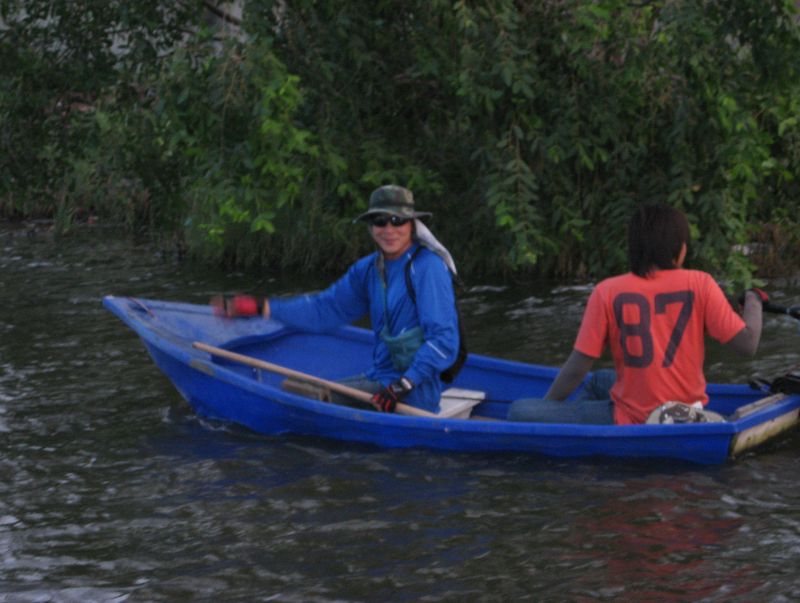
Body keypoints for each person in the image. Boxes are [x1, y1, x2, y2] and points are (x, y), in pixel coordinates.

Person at [508, 203, 765, 425]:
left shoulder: (607, 291)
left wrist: (549, 410)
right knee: (600, 380)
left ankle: (585, 425)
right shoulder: (701, 283)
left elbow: (577, 368)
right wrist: (754, 300)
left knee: (518, 411)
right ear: (679, 249)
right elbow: (748, 344)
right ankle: (586, 418)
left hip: (634, 417)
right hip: (687, 411)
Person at [214, 185, 461, 414]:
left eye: (397, 221)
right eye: (380, 221)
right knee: (299, 389)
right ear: (371, 226)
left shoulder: (428, 268)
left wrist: (404, 384)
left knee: (305, 402)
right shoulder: (367, 270)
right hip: (379, 378)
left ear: (411, 225)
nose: (389, 230)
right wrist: (261, 307)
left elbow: (444, 341)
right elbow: (324, 310)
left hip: (413, 391)